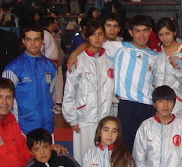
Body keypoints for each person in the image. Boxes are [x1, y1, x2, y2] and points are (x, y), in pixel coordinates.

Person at [67, 15, 157, 153]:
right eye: (137, 31)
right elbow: (93, 41)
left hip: (148, 106)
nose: (142, 35)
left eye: (145, 30)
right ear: (130, 32)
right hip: (127, 106)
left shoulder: (155, 56)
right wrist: (74, 54)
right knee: (125, 148)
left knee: (147, 149)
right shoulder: (118, 47)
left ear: (150, 32)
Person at [63, 21, 119, 164]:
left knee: (106, 157)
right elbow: (70, 91)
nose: (97, 38)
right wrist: (72, 119)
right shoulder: (78, 61)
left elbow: (113, 88)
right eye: (93, 35)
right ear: (87, 37)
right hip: (84, 118)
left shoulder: (110, 59)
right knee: (84, 157)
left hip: (106, 116)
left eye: (100, 34)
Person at [2, 25, 56, 136]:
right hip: (23, 128)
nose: (32, 44)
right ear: (23, 41)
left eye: (36, 39)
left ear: (42, 41)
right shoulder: (13, 68)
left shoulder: (51, 67)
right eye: (28, 40)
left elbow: (51, 93)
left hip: (47, 127)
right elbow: (5, 100)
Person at [153, 18, 182, 124]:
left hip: (181, 111)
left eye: (167, 33)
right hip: (159, 110)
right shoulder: (154, 55)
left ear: (174, 32)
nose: (164, 38)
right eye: (161, 35)